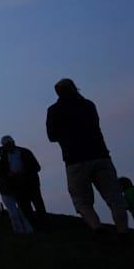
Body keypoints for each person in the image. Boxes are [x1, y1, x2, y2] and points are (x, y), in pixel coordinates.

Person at [46, 78, 128, 238]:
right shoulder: (88, 105)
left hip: (74, 159)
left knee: (81, 200)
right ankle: (124, 233)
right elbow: (96, 124)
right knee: (114, 197)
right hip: (100, 155)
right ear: (75, 88)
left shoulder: (54, 110)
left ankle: (97, 230)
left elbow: (51, 136)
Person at [0, 136, 43, 225]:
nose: (8, 147)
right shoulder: (4, 159)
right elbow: (3, 173)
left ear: (13, 142)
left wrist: (24, 172)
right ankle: (36, 229)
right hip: (18, 187)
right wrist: (9, 175)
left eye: (9, 144)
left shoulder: (25, 152)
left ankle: (45, 227)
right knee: (26, 210)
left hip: (32, 184)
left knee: (39, 207)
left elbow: (37, 167)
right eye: (5, 145)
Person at [0, 147, 34, 234]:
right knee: (13, 213)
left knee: (23, 211)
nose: (3, 154)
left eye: (5, 152)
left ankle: (29, 230)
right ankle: (19, 231)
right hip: (6, 192)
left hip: (18, 189)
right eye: (1, 152)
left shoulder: (15, 162)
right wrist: (6, 179)